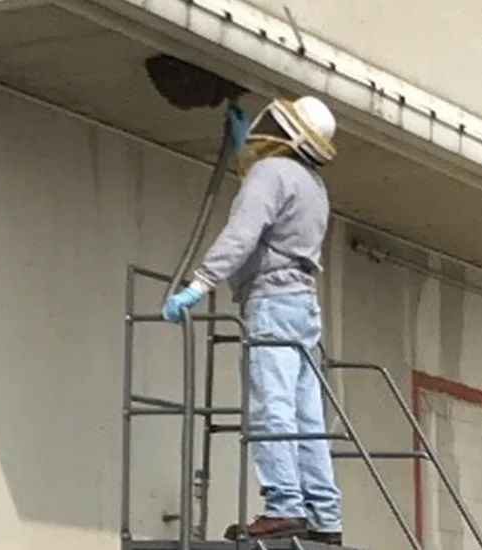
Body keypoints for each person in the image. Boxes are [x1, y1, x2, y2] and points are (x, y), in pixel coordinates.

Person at [161, 96, 343, 545]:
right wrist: (242, 148)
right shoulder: (312, 185)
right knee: (307, 413)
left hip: (271, 304)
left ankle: (283, 507)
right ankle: (325, 515)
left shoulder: (269, 174)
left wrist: (198, 284)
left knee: (271, 407)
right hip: (303, 306)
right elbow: (274, 203)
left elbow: (244, 231)